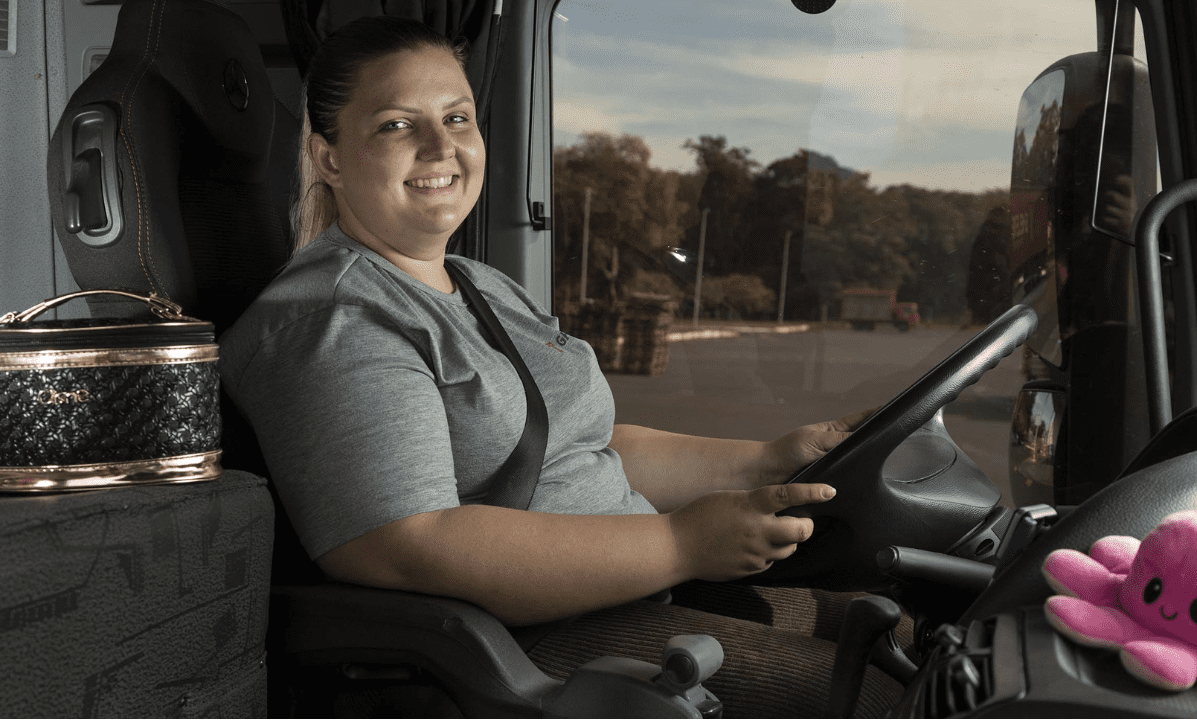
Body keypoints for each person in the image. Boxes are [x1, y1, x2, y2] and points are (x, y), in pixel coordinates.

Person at [219, 16, 907, 717]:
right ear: (329, 158)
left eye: (458, 118)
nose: (442, 146)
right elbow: (404, 542)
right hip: (532, 641)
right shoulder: (329, 319)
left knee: (908, 627)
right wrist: (680, 543)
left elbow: (587, 447)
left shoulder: (481, 286)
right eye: (398, 125)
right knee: (887, 693)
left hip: (636, 591)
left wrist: (766, 461)